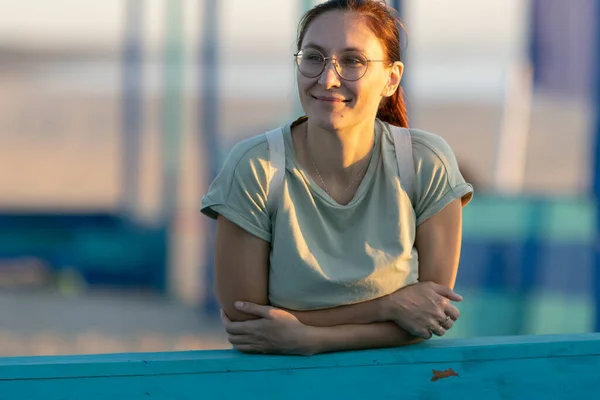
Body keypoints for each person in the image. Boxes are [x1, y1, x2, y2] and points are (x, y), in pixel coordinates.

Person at [201, 0, 473, 356]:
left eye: (352, 61)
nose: (328, 79)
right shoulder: (256, 167)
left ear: (391, 79)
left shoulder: (425, 162)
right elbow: (248, 326)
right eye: (314, 58)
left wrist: (311, 339)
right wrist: (388, 306)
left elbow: (429, 316)